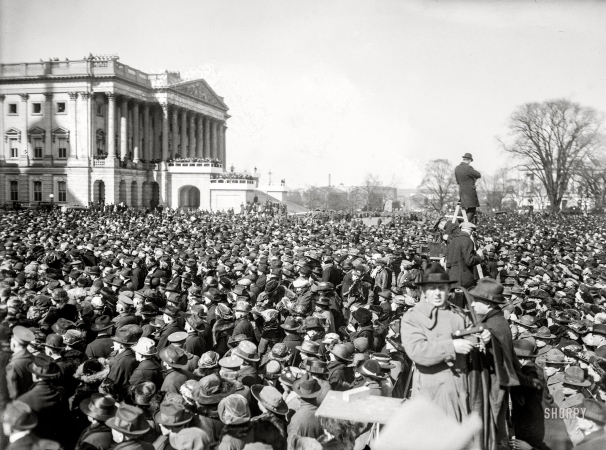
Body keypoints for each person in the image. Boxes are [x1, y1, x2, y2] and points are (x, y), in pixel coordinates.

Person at [400, 263, 472, 421]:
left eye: (441, 288)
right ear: (424, 291)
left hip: (459, 387)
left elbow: (471, 334)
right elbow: (418, 352)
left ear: (448, 290)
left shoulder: (458, 314)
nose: (437, 293)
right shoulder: (413, 316)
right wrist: (451, 346)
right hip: (431, 390)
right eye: (432, 288)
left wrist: (481, 338)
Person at [446, 221, 483, 289]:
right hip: (463, 279)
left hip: (451, 277)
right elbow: (469, 261)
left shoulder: (452, 241)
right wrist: (479, 256)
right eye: (472, 231)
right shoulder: (467, 240)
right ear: (470, 231)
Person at [454, 152, 481, 223]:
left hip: (462, 192)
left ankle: (463, 222)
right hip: (469, 192)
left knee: (465, 208)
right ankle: (465, 224)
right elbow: (478, 175)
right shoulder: (468, 168)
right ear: (469, 160)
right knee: (472, 208)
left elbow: (458, 181)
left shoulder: (457, 168)